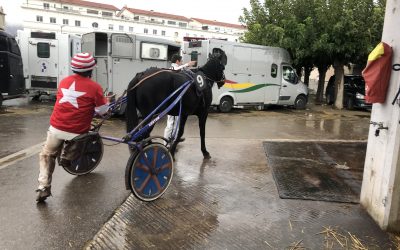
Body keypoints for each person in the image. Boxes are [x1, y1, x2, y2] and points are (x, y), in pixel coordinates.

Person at [36, 52, 109, 202]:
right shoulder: (95, 87)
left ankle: (43, 186)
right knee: (81, 136)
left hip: (55, 128)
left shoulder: (63, 82)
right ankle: (68, 155)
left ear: (73, 68)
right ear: (90, 70)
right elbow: (103, 110)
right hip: (77, 133)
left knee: (46, 155)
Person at [163, 54, 196, 142]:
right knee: (171, 123)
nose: (182, 62)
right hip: (173, 101)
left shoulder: (177, 68)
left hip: (177, 100)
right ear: (177, 61)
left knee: (176, 121)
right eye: (181, 61)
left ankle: (175, 137)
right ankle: (166, 142)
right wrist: (186, 65)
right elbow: (176, 69)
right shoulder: (173, 69)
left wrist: (188, 66)